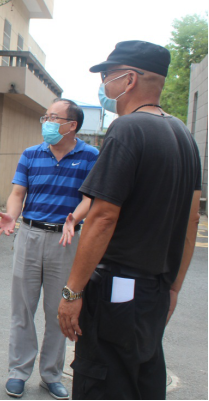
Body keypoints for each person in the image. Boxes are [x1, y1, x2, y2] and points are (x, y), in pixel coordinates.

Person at [57, 41, 203, 400]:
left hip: (117, 291)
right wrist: (173, 288)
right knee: (141, 383)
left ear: (130, 79)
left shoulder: (127, 129)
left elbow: (103, 216)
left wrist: (72, 292)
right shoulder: (183, 135)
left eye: (108, 75)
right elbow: (192, 219)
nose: (104, 85)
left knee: (102, 383)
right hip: (155, 291)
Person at [0, 99, 99, 400]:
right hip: (29, 235)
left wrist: (75, 218)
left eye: (54, 118)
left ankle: (51, 375)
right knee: (22, 308)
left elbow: (90, 198)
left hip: (66, 239)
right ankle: (18, 372)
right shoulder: (31, 154)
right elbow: (18, 192)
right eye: (46, 117)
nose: (47, 123)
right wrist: (12, 215)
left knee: (58, 311)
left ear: (72, 125)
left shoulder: (91, 156)